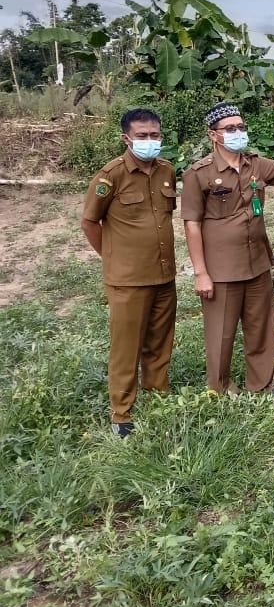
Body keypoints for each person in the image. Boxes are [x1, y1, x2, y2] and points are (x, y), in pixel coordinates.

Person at [181, 102, 274, 394]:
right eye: (230, 128)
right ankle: (220, 389)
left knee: (261, 328)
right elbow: (191, 224)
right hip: (221, 268)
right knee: (220, 333)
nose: (237, 133)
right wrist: (200, 273)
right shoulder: (200, 174)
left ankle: (261, 385)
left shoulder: (255, 164)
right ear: (214, 135)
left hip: (257, 261)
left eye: (241, 127)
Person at [81, 108, 177, 436]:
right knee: (127, 346)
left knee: (160, 341)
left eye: (155, 135)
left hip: (164, 275)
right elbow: (90, 222)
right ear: (127, 138)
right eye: (142, 136)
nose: (150, 141)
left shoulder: (167, 171)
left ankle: (158, 393)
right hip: (128, 279)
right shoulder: (111, 176)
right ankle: (121, 412)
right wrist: (112, 257)